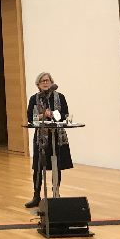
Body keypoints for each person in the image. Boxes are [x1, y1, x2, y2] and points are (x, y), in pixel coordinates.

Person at [25, 72, 73, 208]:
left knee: (56, 166)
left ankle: (56, 194)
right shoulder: (34, 99)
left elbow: (65, 114)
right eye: (42, 81)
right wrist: (42, 115)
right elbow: (30, 117)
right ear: (38, 85)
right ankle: (36, 196)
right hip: (41, 137)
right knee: (39, 166)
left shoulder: (60, 97)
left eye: (47, 80)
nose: (45, 83)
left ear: (51, 82)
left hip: (57, 137)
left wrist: (52, 114)